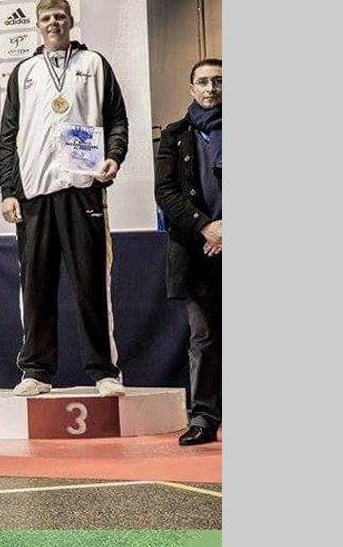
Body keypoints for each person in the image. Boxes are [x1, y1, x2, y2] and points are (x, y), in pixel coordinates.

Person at [0, 0, 130, 397]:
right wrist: (8, 190)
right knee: (35, 285)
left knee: (91, 283)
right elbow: (8, 136)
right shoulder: (24, 72)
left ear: (71, 21)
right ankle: (36, 371)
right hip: (35, 192)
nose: (53, 23)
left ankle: (104, 371)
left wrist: (114, 155)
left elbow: (117, 119)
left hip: (83, 188)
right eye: (46, 18)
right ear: (37, 26)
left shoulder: (94, 64)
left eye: (59, 16)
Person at [155, 58, 222, 446]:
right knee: (204, 337)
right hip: (195, 251)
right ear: (191, 88)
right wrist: (206, 227)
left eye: (218, 81)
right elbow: (165, 192)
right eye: (204, 82)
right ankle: (203, 418)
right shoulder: (174, 135)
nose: (211, 88)